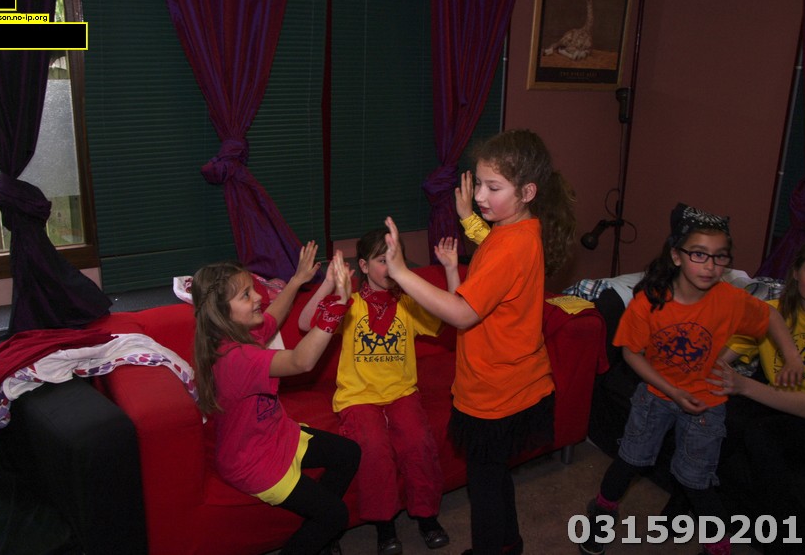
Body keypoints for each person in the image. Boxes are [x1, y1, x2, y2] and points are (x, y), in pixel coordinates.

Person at [381, 129, 576, 555]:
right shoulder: (520, 230)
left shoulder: (511, 247)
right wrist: (469, 216)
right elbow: (491, 247)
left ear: (527, 191)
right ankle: (510, 544)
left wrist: (400, 273)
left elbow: (462, 313)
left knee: (484, 487)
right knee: (495, 475)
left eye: (494, 187)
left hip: (496, 393)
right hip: (515, 383)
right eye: (480, 184)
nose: (482, 195)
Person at [579, 203, 804, 555]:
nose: (710, 266)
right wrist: (672, 391)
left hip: (706, 402)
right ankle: (602, 511)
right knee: (630, 459)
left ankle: (718, 544)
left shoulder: (730, 299)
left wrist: (792, 357)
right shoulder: (650, 302)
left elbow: (771, 318)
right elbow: (631, 354)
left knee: (697, 479)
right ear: (677, 256)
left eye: (719, 257)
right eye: (699, 254)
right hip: (656, 395)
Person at [298, 229, 460, 555]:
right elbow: (304, 323)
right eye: (382, 261)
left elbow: (455, 312)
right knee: (372, 448)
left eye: (395, 260)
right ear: (363, 266)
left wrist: (452, 269)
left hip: (401, 392)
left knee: (418, 442)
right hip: (358, 397)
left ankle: (426, 516)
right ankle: (384, 525)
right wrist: (329, 285)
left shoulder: (409, 302)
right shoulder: (350, 304)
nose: (390, 267)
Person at [192, 243, 361, 555]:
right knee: (336, 516)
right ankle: (320, 529)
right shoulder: (234, 358)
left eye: (252, 289)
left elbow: (272, 319)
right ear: (221, 312)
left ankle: (319, 531)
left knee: (347, 453)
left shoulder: (237, 332)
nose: (258, 297)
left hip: (277, 435)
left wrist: (297, 280)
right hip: (254, 462)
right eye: (246, 295)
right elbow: (301, 361)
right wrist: (338, 305)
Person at [711, 234, 805, 553]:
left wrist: (742, 385)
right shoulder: (771, 312)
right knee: (716, 418)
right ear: (796, 272)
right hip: (778, 400)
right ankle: (700, 508)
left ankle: (782, 535)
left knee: (762, 437)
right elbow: (719, 359)